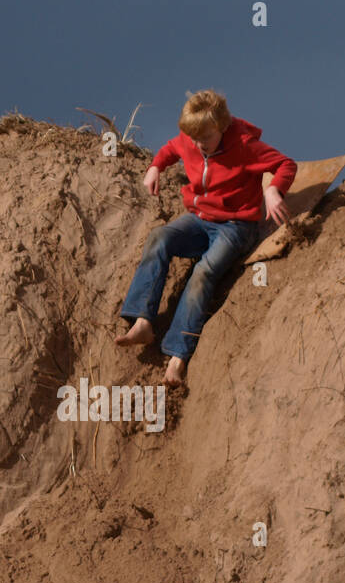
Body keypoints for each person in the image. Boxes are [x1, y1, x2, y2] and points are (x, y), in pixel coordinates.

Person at [115, 90, 296, 386]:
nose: (200, 145)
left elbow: (285, 164)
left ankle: (177, 356)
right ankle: (143, 321)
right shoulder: (193, 138)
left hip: (236, 226)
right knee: (159, 237)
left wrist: (273, 189)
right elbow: (171, 149)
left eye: (206, 139)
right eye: (195, 139)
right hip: (199, 220)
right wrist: (155, 167)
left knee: (204, 272)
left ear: (222, 128)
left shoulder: (244, 145)